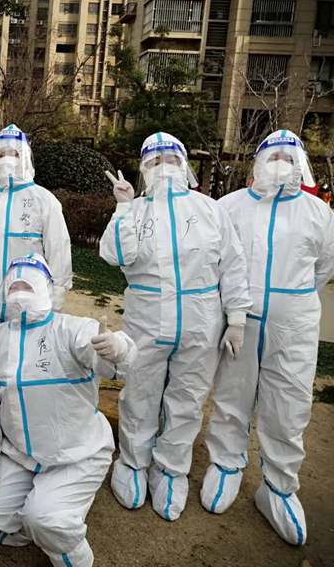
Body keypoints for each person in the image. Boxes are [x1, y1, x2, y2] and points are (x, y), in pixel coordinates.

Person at [98, 132, 251, 521]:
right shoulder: (135, 210)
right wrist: (122, 207)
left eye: (170, 160)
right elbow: (115, 255)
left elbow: (233, 266)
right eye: (154, 161)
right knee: (140, 393)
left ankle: (171, 469)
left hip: (201, 321)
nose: (163, 167)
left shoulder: (210, 210)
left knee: (187, 398)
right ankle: (133, 462)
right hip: (147, 319)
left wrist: (236, 318)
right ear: (143, 168)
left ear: (185, 165)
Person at [202, 130, 334, 545]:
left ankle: (278, 486)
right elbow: (217, 261)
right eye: (272, 156)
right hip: (240, 320)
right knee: (232, 393)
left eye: (288, 157)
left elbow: (324, 267)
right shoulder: (229, 207)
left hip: (293, 325)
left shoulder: (319, 213)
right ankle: (226, 463)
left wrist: (287, 303)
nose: (280, 164)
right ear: (257, 162)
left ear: (300, 164)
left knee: (289, 404)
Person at [0, 254, 136, 567]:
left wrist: (119, 349)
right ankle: (34, 521)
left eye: (28, 286)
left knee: (46, 519)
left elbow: (105, 355)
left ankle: (71, 553)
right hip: (22, 455)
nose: (19, 293)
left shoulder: (71, 329)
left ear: (46, 289)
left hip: (76, 454)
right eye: (13, 286)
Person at [0, 124, 72, 332]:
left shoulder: (44, 200)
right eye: (1, 154)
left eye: (14, 153)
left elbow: (59, 251)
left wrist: (57, 296)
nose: (7, 159)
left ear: (25, 157)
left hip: (27, 302)